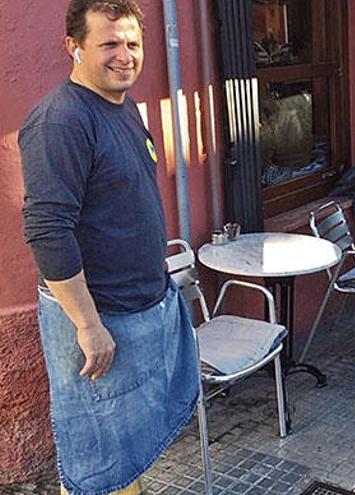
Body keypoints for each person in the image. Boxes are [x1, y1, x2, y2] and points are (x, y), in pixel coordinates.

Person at [19, 1, 199, 494]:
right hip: (99, 322)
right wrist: (89, 326)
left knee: (126, 455)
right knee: (98, 461)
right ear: (73, 48)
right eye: (110, 44)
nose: (125, 56)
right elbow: (48, 230)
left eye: (133, 43)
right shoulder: (61, 121)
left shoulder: (124, 107)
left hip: (138, 309)